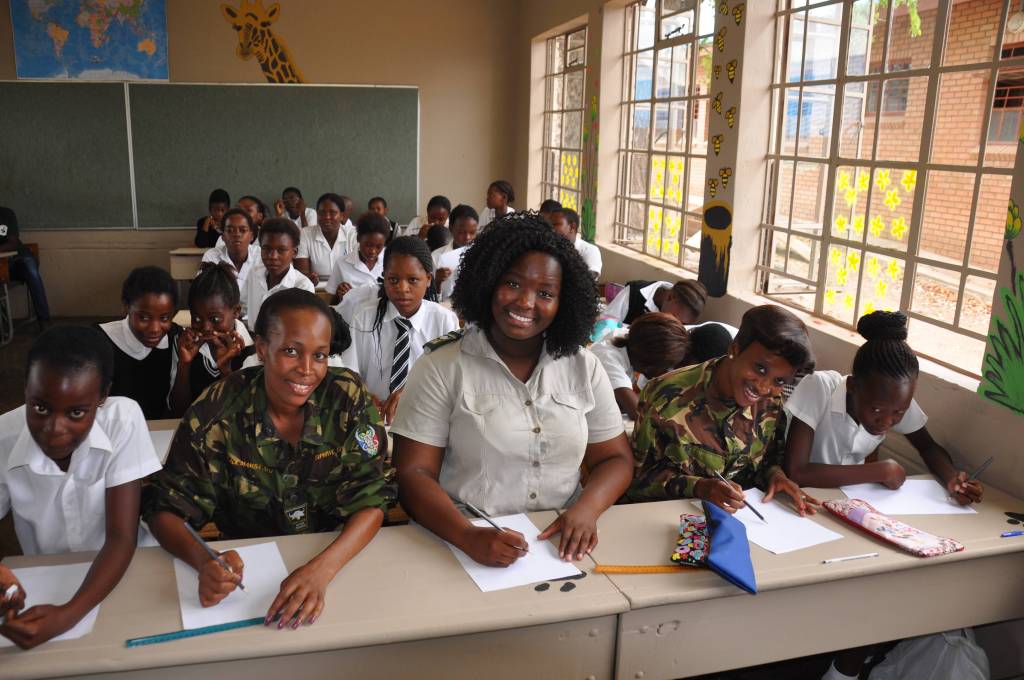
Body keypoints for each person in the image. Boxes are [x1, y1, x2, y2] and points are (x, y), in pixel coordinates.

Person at [142, 289, 394, 630]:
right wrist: (204, 561)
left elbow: (373, 495)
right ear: (262, 348)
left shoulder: (347, 398)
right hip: (248, 572)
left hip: (338, 554)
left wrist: (321, 570)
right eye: (291, 351)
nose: (307, 370)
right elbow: (165, 508)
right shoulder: (217, 411)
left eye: (319, 356)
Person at [391, 213, 633, 567]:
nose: (525, 302)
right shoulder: (442, 366)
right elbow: (413, 474)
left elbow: (616, 459)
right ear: (488, 282)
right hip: (462, 541)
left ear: (563, 302)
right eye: (513, 284)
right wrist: (467, 535)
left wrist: (586, 509)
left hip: (560, 543)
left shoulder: (584, 365)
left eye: (546, 293)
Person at [0, 326, 161, 649]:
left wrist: (68, 615)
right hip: (44, 579)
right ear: (26, 390)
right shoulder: (3, 437)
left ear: (102, 397)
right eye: (40, 408)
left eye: (76, 412)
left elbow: (121, 536)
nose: (54, 429)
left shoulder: (123, 421)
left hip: (128, 571)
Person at [627, 305, 817, 516]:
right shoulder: (666, 396)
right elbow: (637, 482)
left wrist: (776, 476)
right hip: (667, 521)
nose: (763, 387)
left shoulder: (771, 403)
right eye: (760, 369)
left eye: (779, 380)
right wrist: (699, 487)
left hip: (740, 522)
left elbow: (767, 463)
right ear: (735, 350)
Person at [784, 311, 983, 503]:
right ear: (853, 386)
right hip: (797, 500)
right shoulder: (819, 387)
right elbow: (797, 472)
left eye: (898, 413)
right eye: (876, 410)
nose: (887, 422)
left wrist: (952, 479)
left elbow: (928, 447)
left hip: (850, 501)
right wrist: (879, 471)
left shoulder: (894, 403)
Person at [348, 237, 458, 423]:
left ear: (428, 279)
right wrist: (364, 396)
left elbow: (452, 381)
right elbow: (350, 374)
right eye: (393, 279)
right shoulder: (364, 318)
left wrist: (413, 393)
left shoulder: (444, 321)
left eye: (413, 280)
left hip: (427, 418)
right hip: (374, 417)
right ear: (384, 277)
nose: (402, 288)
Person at [97, 266, 181, 419]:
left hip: (159, 430)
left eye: (164, 318)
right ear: (126, 307)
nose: (155, 329)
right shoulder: (100, 342)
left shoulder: (177, 338)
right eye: (144, 317)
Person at [171, 265, 252, 416]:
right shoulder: (184, 344)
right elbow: (178, 411)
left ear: (236, 312)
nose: (206, 327)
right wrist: (184, 364)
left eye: (215, 319)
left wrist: (226, 371)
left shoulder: (251, 349)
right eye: (196, 318)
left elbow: (243, 414)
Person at [591, 313, 692, 420]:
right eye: (666, 367)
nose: (667, 371)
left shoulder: (632, 339)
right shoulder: (609, 360)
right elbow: (638, 414)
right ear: (648, 367)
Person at [244, 218, 315, 330]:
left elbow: (300, 328)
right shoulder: (254, 273)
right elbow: (244, 307)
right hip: (253, 340)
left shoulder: (303, 287)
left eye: (281, 250)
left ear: (294, 252)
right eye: (266, 248)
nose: (273, 256)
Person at [198, 208, 260, 321]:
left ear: (251, 235)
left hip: (255, 320)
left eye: (242, 230)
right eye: (230, 230)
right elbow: (203, 293)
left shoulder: (260, 257)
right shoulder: (211, 257)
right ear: (222, 236)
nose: (236, 234)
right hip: (221, 320)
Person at [0, 206, 50, 329]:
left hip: (18, 260)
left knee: (31, 270)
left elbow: (13, 243)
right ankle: (4, 325)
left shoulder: (6, 213)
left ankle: (44, 320)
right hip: (1, 265)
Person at [327, 212, 388, 304]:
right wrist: (338, 294)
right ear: (358, 238)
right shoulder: (342, 263)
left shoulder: (390, 262)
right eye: (368, 245)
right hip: (351, 316)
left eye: (379, 246)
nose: (373, 251)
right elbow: (332, 304)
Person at [295, 193, 351, 287]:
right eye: (322, 213)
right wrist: (309, 278)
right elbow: (302, 274)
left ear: (342, 215)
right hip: (315, 291)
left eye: (332, 212)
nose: (327, 217)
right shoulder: (305, 234)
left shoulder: (352, 235)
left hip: (348, 290)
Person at [603, 278, 708, 326]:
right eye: (675, 317)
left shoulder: (677, 310)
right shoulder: (634, 293)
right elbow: (605, 325)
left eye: (683, 324)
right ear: (670, 297)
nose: (677, 325)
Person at [432, 204, 479, 301]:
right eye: (462, 232)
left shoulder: (482, 255)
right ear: (451, 228)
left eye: (472, 232)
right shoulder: (436, 257)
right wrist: (437, 282)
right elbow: (431, 301)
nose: (468, 237)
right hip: (446, 308)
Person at [550, 207, 602, 279]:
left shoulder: (589, 250)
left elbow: (592, 274)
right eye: (550, 225)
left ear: (572, 227)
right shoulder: (550, 247)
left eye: (556, 224)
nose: (551, 228)